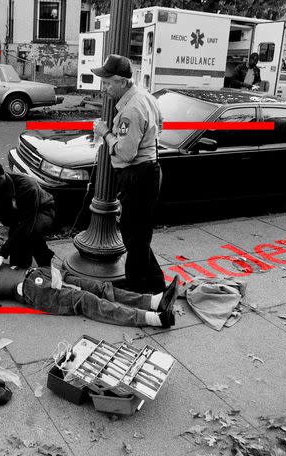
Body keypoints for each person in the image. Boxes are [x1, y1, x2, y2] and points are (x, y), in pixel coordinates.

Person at [0, 255, 180, 329]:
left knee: (98, 285)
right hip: (32, 291)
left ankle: (153, 300)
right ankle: (154, 319)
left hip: (37, 272)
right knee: (86, 300)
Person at [92, 54, 165, 295]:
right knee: (139, 234)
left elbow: (125, 152)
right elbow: (160, 124)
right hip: (149, 170)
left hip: (137, 174)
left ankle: (138, 288)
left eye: (108, 83)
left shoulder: (130, 110)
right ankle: (155, 284)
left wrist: (105, 133)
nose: (105, 88)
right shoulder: (145, 97)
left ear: (122, 82)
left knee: (134, 236)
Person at [0, 160, 56, 279]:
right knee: (17, 259)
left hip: (41, 211)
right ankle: (23, 267)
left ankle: (44, 262)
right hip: (17, 217)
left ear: (0, 179)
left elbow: (26, 225)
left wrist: (1, 254)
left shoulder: (27, 187)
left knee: (30, 234)